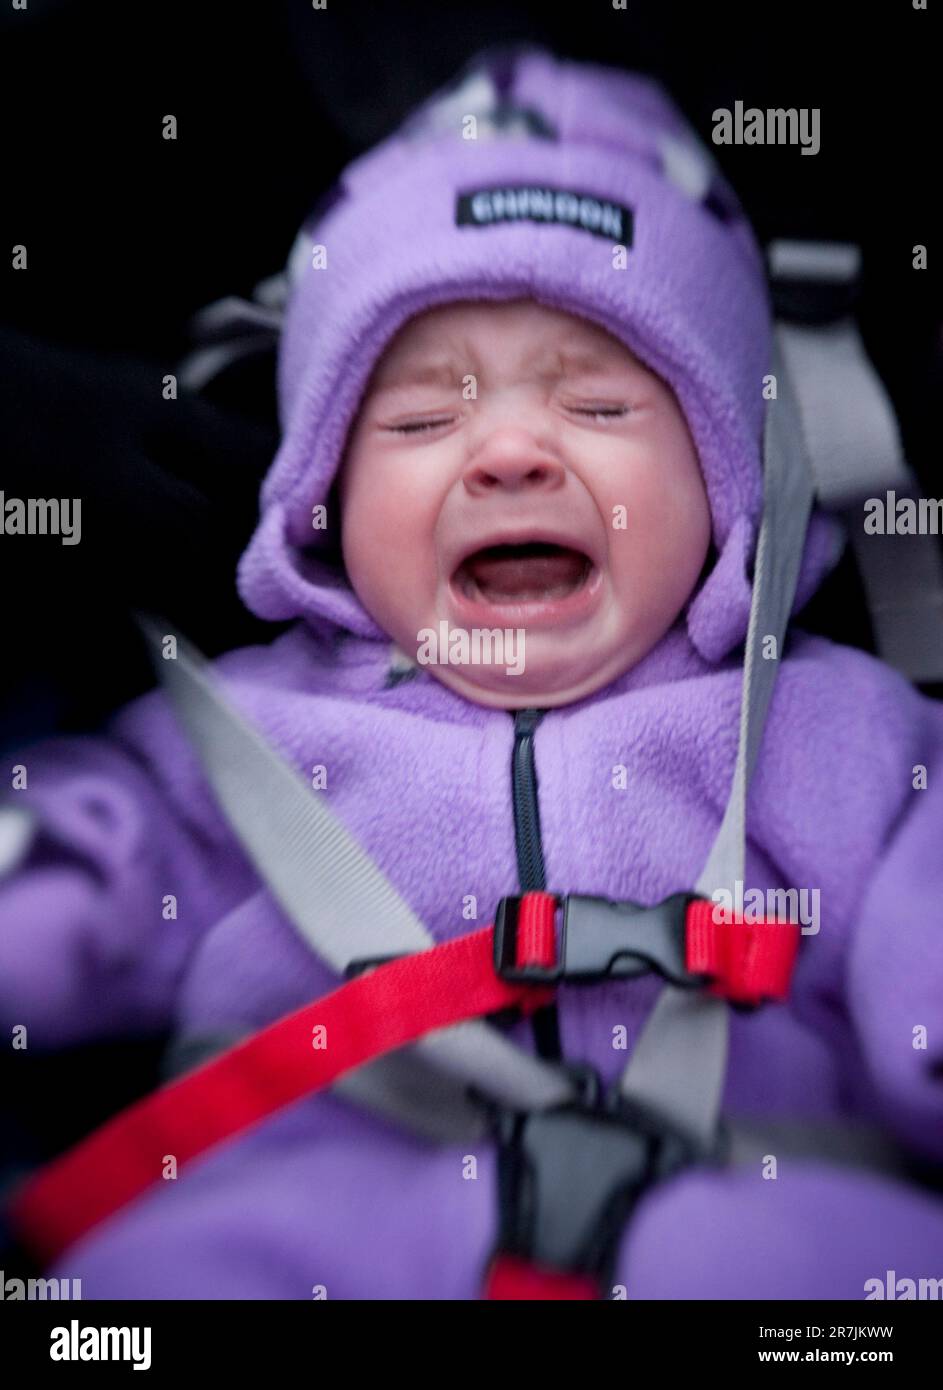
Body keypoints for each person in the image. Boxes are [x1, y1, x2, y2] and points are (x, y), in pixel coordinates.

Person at [2, 45, 942, 1300]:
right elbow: (103, 859)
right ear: (321, 499)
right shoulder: (248, 733)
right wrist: (45, 892)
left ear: (728, 481)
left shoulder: (834, 728)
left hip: (737, 1193)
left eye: (598, 408)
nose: (507, 452)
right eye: (419, 421)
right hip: (314, 1208)